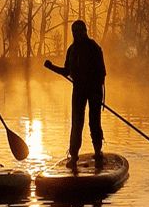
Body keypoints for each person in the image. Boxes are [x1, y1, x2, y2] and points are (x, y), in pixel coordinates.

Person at [45, 20, 106, 170]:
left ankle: (98, 152)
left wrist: (98, 94)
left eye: (80, 31)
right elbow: (67, 71)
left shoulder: (94, 48)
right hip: (79, 90)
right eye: (75, 32)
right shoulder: (72, 50)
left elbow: (102, 72)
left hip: (93, 90)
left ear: (85, 31)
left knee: (94, 122)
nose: (77, 34)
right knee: (76, 123)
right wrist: (51, 67)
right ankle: (73, 156)